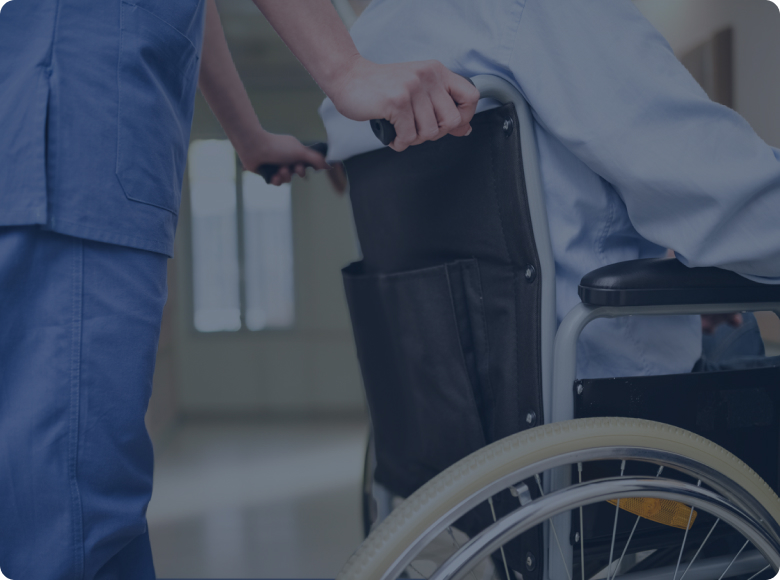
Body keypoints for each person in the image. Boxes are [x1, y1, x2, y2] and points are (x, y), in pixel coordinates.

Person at [0, 1, 478, 578]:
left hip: (67, 135)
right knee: (71, 512)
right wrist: (347, 70)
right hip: (74, 136)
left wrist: (247, 134)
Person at [319, 0, 780, 380]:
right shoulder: (534, 10)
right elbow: (730, 201)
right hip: (602, 399)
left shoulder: (365, 47)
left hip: (458, 430)